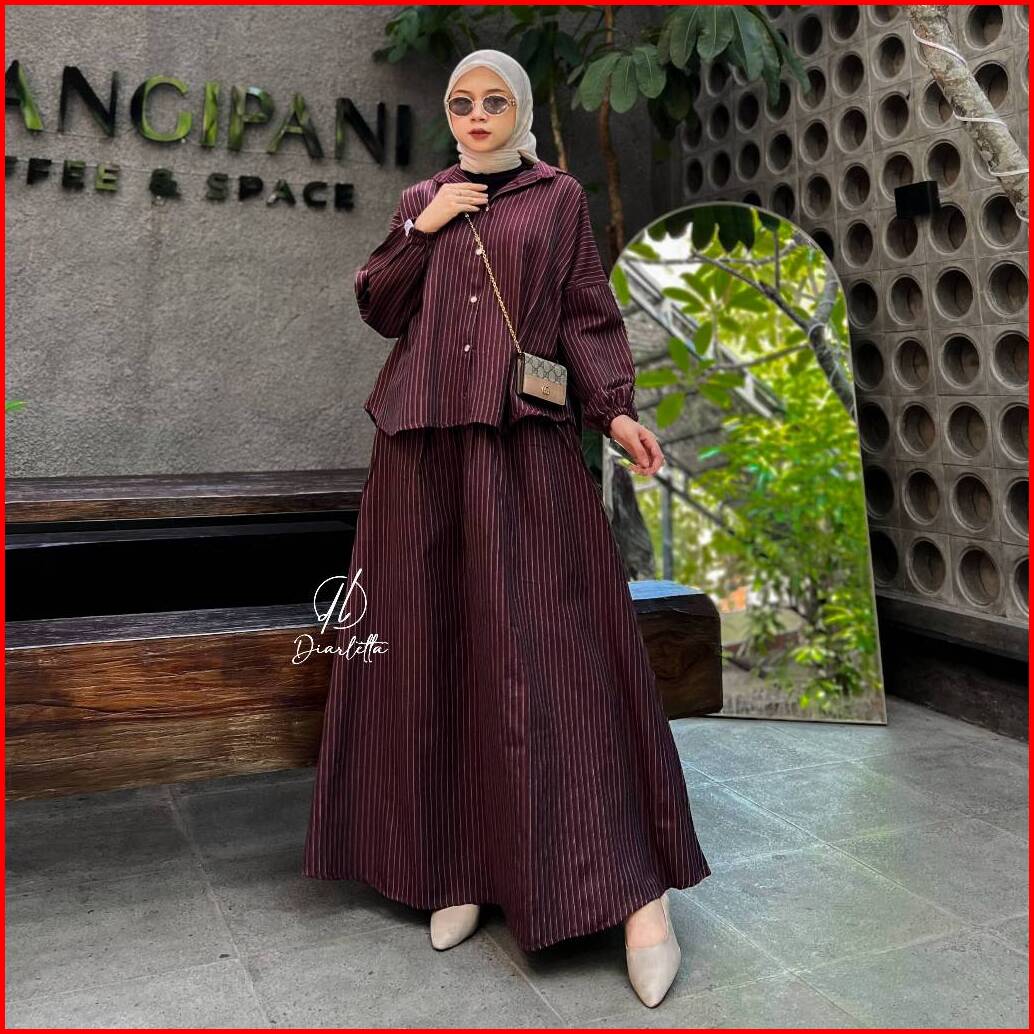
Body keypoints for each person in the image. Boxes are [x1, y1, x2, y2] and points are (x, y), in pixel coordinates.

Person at [302, 47, 711, 1009]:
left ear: (519, 109)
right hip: (419, 455)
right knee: (431, 650)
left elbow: (585, 315)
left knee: (558, 653)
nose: (477, 115)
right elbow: (379, 306)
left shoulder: (556, 197)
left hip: (522, 446)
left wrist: (614, 410)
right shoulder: (422, 198)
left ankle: (635, 894)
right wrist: (423, 229)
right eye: (462, 102)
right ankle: (457, 865)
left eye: (494, 101)